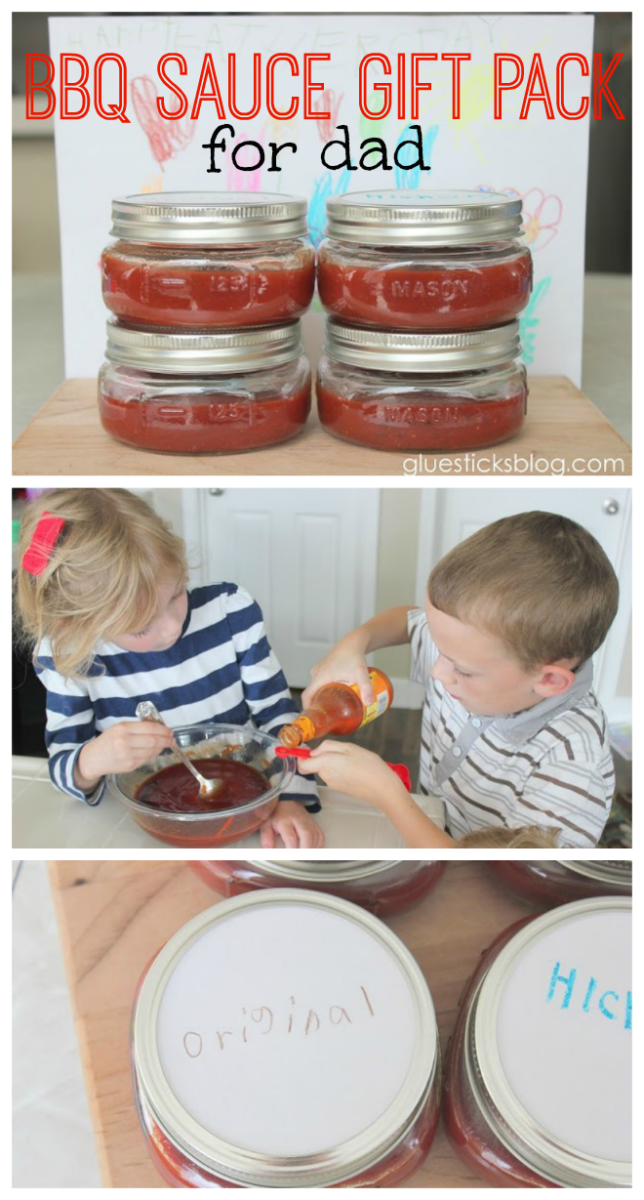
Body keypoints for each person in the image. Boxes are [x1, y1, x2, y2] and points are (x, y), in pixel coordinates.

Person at [15, 488, 323, 849]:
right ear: (80, 624)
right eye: (141, 627)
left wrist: (291, 799)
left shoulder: (231, 614)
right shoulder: (72, 655)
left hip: (249, 807)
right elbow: (63, 768)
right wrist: (92, 760)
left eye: (177, 592)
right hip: (135, 829)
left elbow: (280, 720)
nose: (171, 627)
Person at [296, 512, 619, 849]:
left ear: (550, 681)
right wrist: (353, 644)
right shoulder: (467, 654)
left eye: (462, 669)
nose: (437, 672)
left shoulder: (572, 765)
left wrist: (387, 794)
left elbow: (489, 881)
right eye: (439, 648)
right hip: (427, 825)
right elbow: (407, 622)